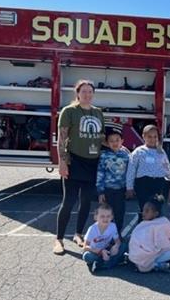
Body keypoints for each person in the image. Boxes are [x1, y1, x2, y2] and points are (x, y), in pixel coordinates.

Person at [54, 79, 104, 255]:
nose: (87, 94)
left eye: (90, 91)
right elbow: (62, 138)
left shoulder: (98, 113)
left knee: (85, 202)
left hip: (92, 163)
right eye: (84, 91)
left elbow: (100, 138)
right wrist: (62, 162)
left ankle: (78, 234)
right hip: (74, 162)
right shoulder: (69, 111)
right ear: (77, 93)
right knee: (68, 201)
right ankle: (59, 239)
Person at [126, 125, 170, 217]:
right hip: (143, 184)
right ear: (143, 136)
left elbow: (166, 167)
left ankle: (155, 230)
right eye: (149, 137)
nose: (152, 139)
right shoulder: (138, 151)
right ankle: (142, 229)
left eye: (155, 137)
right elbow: (131, 169)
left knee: (157, 209)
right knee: (145, 210)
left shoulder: (161, 152)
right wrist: (129, 187)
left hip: (158, 183)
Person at [96, 129, 130, 235]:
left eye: (117, 140)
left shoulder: (127, 156)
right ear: (107, 142)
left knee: (119, 214)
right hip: (108, 190)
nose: (115, 143)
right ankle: (105, 236)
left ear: (122, 141)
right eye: (111, 141)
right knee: (107, 214)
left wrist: (130, 188)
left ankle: (117, 235)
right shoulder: (104, 156)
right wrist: (100, 192)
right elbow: (100, 173)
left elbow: (130, 173)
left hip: (121, 190)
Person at [128, 197, 170, 273]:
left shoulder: (163, 222)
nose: (143, 213)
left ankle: (152, 265)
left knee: (168, 254)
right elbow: (135, 242)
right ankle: (156, 265)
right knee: (168, 254)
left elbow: (166, 241)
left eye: (147, 211)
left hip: (154, 254)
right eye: (143, 210)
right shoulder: (142, 224)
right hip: (142, 254)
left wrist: (154, 250)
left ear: (156, 213)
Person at [82, 203, 127, 272]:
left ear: (112, 217)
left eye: (108, 216)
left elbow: (118, 241)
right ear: (96, 217)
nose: (105, 219)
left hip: (106, 249)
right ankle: (109, 262)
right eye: (102, 216)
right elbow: (85, 247)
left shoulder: (113, 226)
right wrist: (100, 251)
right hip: (94, 251)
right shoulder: (92, 229)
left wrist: (116, 246)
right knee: (87, 256)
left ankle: (102, 263)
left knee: (123, 245)